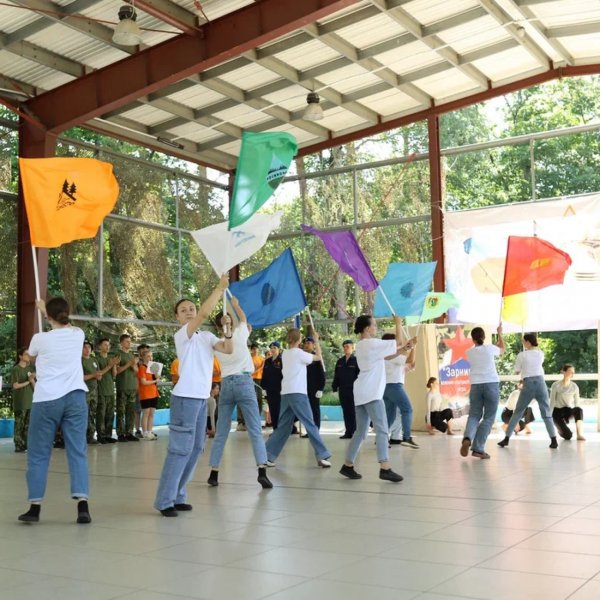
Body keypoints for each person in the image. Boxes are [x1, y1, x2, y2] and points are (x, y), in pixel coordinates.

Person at [154, 275, 233, 517]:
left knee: (197, 447)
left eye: (191, 308)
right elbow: (201, 318)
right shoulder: (182, 336)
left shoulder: (207, 338)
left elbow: (228, 349)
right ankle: (164, 500)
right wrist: (219, 288)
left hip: (201, 399)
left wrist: (228, 329)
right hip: (184, 399)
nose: (189, 312)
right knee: (179, 449)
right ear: (177, 317)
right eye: (183, 310)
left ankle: (177, 495)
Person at [18, 297, 91, 524]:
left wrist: (42, 312)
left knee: (39, 454)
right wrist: (47, 311)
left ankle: (35, 507)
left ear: (48, 317)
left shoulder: (40, 338)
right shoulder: (78, 334)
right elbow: (64, 327)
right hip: (76, 398)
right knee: (77, 451)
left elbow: (30, 355)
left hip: (47, 399)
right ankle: (83, 506)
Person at [207, 296, 272, 489]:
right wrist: (236, 305)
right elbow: (244, 320)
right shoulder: (239, 334)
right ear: (229, 322)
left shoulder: (217, 344)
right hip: (244, 382)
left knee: (221, 432)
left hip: (226, 384)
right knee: (254, 429)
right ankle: (262, 470)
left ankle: (214, 472)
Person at [339, 315, 404, 483]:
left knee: (360, 432)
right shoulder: (373, 343)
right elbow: (398, 341)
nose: (376, 328)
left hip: (360, 392)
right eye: (374, 325)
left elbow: (386, 356)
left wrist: (403, 350)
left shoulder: (361, 345)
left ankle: (348, 465)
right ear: (367, 328)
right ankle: (385, 467)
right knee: (382, 429)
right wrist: (398, 323)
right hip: (372, 393)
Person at [265, 328, 332, 468]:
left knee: (283, 427)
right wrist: (317, 341)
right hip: (298, 394)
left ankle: (267, 455)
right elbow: (318, 357)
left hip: (286, 394)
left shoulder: (285, 354)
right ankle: (322, 455)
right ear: (299, 340)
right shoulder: (300, 354)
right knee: (310, 424)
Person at [498, 333, 558, 449]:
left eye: (523, 341)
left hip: (528, 384)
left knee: (518, 412)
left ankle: (506, 439)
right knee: (546, 412)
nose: (523, 343)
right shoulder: (541, 353)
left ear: (528, 342)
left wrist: (521, 366)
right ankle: (553, 439)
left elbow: (516, 370)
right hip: (541, 383)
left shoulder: (522, 355)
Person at [461, 325, 504, 459]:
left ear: (472, 339)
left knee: (474, 415)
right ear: (484, 337)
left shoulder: (469, 353)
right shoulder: (490, 349)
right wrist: (500, 334)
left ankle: (467, 437)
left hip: (475, 385)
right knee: (489, 417)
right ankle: (478, 448)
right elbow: (502, 350)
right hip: (491, 384)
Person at [382, 331, 419, 448]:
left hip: (385, 387)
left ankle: (382, 438)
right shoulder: (392, 355)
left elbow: (411, 364)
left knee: (390, 415)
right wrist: (412, 347)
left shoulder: (385, 355)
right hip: (394, 386)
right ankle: (407, 437)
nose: (399, 343)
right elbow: (409, 361)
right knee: (407, 409)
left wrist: (413, 347)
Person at [332, 339, 359, 439]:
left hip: (353, 390)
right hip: (343, 390)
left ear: (353, 347)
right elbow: (336, 376)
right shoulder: (340, 361)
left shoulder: (356, 360)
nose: (346, 348)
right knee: (346, 411)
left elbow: (359, 375)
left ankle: (355, 432)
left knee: (353, 411)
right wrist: (334, 388)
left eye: (348, 346)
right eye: (345, 346)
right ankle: (348, 431)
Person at [551, 364, 585, 441]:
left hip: (567, 411)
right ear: (563, 372)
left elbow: (577, 403)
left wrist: (577, 414)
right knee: (568, 436)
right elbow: (552, 401)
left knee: (579, 410)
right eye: (570, 372)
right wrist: (549, 416)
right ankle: (560, 429)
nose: (572, 374)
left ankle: (579, 434)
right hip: (557, 412)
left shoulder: (574, 386)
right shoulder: (555, 385)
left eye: (573, 372)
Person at [115, 334, 139, 442]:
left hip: (132, 386)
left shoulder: (132, 355)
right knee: (121, 410)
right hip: (122, 386)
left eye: (130, 341)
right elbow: (117, 371)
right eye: (127, 341)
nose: (129, 343)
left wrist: (134, 366)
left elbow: (137, 371)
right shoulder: (118, 355)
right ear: (121, 343)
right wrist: (128, 364)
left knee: (131, 411)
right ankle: (120, 433)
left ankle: (129, 432)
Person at [11, 348, 35, 453]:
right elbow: (15, 385)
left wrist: (32, 381)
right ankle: (18, 444)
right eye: (26, 354)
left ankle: (26, 444)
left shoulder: (31, 368)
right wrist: (28, 382)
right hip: (20, 401)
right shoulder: (16, 369)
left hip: (30, 400)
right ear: (20, 356)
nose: (28, 356)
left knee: (28, 424)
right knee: (19, 424)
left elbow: (34, 385)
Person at [95, 339, 119, 444]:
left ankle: (108, 435)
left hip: (110, 390)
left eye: (108, 345)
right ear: (100, 346)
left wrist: (113, 365)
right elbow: (98, 374)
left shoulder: (110, 359)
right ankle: (101, 435)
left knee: (110, 414)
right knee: (101, 414)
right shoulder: (96, 359)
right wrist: (109, 365)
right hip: (101, 391)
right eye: (105, 345)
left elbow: (114, 374)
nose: (107, 347)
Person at [302, 336, 325, 437]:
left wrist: (320, 388)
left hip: (314, 389)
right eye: (305, 343)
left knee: (314, 410)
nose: (306, 345)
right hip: (303, 388)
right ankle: (309, 431)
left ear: (313, 345)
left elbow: (322, 374)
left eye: (309, 343)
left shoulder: (316, 357)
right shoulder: (302, 357)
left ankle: (316, 430)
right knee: (306, 411)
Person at [81, 341, 101, 444]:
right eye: (84, 347)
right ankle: (81, 437)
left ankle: (90, 436)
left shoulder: (94, 360)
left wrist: (98, 375)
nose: (87, 349)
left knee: (92, 414)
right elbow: (79, 377)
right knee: (83, 414)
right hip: (84, 392)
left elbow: (98, 374)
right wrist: (93, 375)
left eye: (89, 347)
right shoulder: (79, 361)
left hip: (94, 391)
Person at [137, 349, 159, 440]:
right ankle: (145, 432)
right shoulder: (142, 367)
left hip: (154, 393)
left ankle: (150, 431)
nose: (150, 358)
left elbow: (157, 379)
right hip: (145, 393)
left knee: (152, 413)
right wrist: (155, 380)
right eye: (148, 356)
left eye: (151, 356)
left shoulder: (153, 367)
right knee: (146, 413)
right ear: (143, 357)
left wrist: (156, 373)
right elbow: (143, 382)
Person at [261, 341, 283, 429]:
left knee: (279, 409)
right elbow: (264, 375)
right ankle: (275, 428)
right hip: (269, 390)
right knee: (272, 409)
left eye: (275, 348)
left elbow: (284, 375)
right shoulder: (267, 361)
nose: (273, 350)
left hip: (279, 389)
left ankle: (280, 429)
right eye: (271, 348)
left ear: (279, 349)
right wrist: (263, 388)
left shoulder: (282, 360)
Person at [134, 344, 150, 437]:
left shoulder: (150, 362)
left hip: (149, 390)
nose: (145, 351)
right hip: (138, 388)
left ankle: (148, 430)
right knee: (137, 410)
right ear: (139, 351)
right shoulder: (136, 361)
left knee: (148, 411)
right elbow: (137, 372)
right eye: (143, 350)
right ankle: (137, 430)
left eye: (147, 350)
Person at [250, 343, 265, 423]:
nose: (255, 350)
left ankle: (258, 416)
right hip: (251, 380)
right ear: (251, 350)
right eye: (254, 349)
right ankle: (251, 417)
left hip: (259, 380)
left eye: (256, 349)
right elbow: (249, 372)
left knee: (259, 398)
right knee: (252, 398)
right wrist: (260, 367)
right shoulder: (249, 358)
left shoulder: (261, 359)